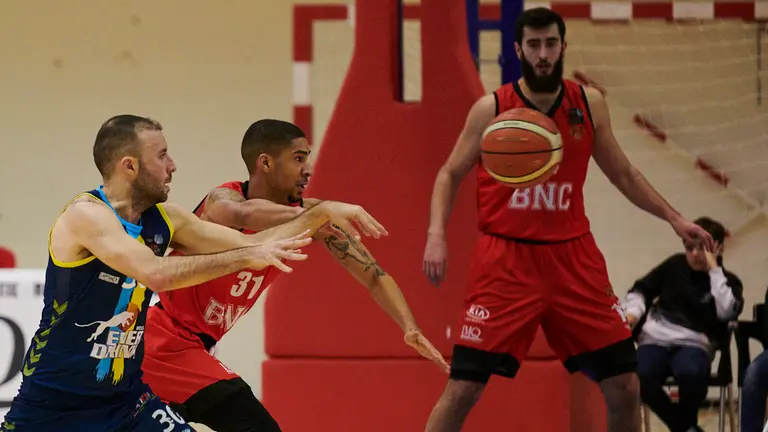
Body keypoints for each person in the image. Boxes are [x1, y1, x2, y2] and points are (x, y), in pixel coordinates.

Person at [420, 8, 716, 432]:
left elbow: (624, 173)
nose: (543, 54)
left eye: (551, 44)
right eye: (534, 45)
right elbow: (448, 173)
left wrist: (674, 218)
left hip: (573, 259)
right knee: (464, 386)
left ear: (562, 46)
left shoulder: (588, 103)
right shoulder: (492, 109)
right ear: (519, 49)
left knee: (625, 386)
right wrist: (436, 235)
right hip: (506, 261)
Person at [0, 115, 385, 432]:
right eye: (163, 155)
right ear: (130, 166)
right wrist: (248, 256)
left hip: (126, 404)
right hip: (54, 406)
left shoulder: (166, 218)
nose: (173, 165)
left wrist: (319, 213)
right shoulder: (86, 215)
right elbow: (156, 273)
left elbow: (254, 241)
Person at [140, 119, 448, 432]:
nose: (309, 169)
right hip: (162, 335)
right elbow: (244, 215)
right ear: (266, 163)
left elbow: (372, 274)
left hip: (192, 347)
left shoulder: (310, 215)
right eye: (299, 158)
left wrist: (409, 326)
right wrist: (318, 212)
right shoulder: (223, 201)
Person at [624, 216, 743, 432]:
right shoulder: (674, 266)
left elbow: (727, 311)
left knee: (692, 373)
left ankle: (684, 427)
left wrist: (714, 270)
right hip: (656, 338)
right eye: (690, 247)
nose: (695, 254)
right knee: (638, 375)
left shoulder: (727, 281)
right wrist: (632, 314)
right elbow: (641, 290)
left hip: (694, 343)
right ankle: (686, 428)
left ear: (719, 248)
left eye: (702, 248)